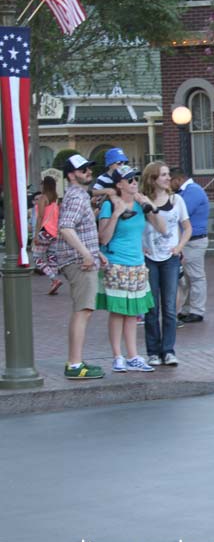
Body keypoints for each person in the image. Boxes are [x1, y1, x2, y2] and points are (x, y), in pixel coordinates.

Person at [96, 165, 163, 373]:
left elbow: (163, 228)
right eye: (129, 180)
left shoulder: (140, 205)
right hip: (116, 262)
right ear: (119, 184)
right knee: (118, 311)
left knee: (133, 311)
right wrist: (116, 214)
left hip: (137, 263)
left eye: (135, 179)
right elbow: (103, 238)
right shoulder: (110, 205)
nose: (134, 182)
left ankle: (133, 355)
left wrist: (151, 205)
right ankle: (118, 356)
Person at [51, 154, 106, 379]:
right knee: (82, 310)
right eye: (83, 169)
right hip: (78, 261)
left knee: (84, 310)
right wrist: (85, 255)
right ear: (71, 175)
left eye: (88, 168)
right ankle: (74, 364)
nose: (88, 172)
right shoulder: (76, 196)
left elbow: (79, 228)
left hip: (81, 258)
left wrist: (96, 252)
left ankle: (76, 361)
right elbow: (65, 227)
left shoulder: (79, 195)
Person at [141, 161, 192, 366]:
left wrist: (179, 247)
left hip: (170, 258)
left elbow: (187, 227)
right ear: (153, 179)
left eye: (168, 174)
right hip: (150, 257)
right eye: (163, 175)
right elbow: (135, 226)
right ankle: (153, 351)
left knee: (170, 307)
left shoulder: (176, 200)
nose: (168, 178)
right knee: (151, 307)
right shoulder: (143, 202)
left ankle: (168, 350)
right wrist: (139, 246)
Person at [171, 167, 210, 324]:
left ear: (178, 179)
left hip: (194, 241)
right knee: (187, 277)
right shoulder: (185, 192)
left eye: (171, 181)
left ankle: (197, 311)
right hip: (189, 241)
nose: (169, 185)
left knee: (195, 276)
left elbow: (180, 213)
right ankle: (187, 309)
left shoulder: (193, 191)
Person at [32, 175, 62, 295]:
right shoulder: (56, 199)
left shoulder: (42, 198)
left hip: (44, 231)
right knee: (51, 258)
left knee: (37, 257)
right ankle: (53, 284)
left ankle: (54, 279)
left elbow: (40, 217)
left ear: (45, 185)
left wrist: (36, 234)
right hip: (54, 232)